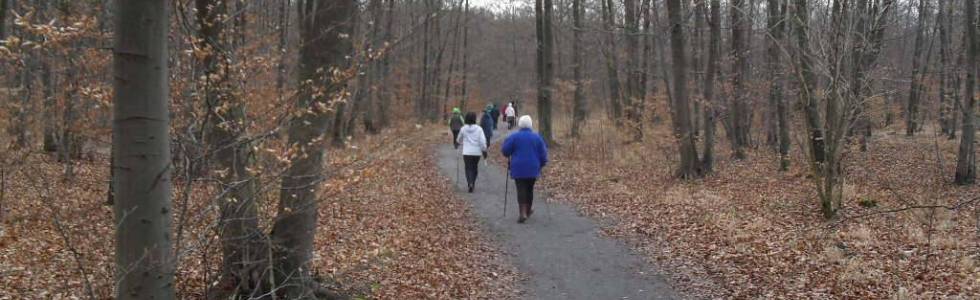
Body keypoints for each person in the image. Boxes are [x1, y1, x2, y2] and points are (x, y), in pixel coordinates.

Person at [501, 115, 549, 223]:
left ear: (520, 125)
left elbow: (505, 151)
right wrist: (542, 163)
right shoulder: (537, 137)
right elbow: (543, 154)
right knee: (529, 188)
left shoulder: (514, 137)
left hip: (518, 167)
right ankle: (527, 210)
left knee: (521, 188)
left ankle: (522, 212)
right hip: (533, 167)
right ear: (531, 125)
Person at [457, 112, 488, 193]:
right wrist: (484, 150)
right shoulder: (479, 129)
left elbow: (458, 139)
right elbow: (482, 141)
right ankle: (472, 183)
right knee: (474, 167)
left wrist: (458, 143)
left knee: (468, 168)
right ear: (474, 119)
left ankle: (469, 183)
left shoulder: (463, 128)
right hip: (476, 152)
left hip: (466, 152)